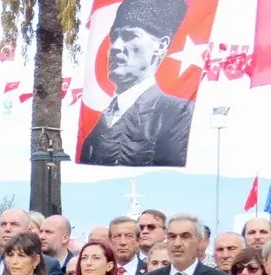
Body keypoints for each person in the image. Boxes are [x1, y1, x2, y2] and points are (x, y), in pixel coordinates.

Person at [77, 0, 194, 167]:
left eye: (130, 36)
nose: (116, 46)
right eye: (114, 37)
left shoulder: (176, 113)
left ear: (161, 45)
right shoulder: (100, 122)